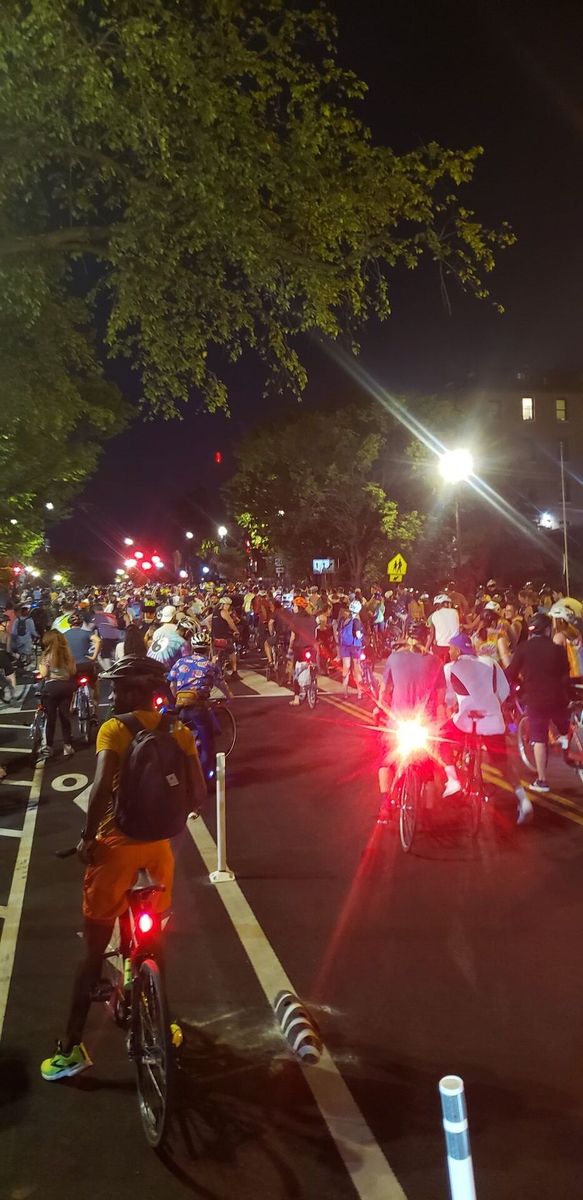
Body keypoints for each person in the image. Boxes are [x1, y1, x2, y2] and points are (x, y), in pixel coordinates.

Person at [40, 656, 206, 1081]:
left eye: (118, 688)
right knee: (155, 942)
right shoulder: (179, 730)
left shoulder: (114, 729)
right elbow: (199, 793)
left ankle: (70, 1048)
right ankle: (163, 1021)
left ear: (132, 692)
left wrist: (87, 838)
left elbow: (99, 790)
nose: (113, 694)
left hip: (117, 847)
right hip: (160, 851)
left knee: (94, 950)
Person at [439, 631, 533, 823]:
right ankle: (524, 800)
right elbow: (503, 691)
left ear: (458, 651)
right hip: (492, 721)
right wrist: (489, 705)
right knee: (502, 763)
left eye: (451, 649)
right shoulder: (490, 663)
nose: (449, 652)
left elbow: (449, 699)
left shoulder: (449, 668)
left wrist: (456, 706)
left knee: (441, 739)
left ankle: (453, 780)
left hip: (465, 721)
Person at [376, 621, 444, 819]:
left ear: (407, 637)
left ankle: (386, 805)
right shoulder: (435, 661)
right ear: (427, 638)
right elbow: (440, 701)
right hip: (424, 726)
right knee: (428, 772)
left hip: (398, 724)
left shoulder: (394, 658)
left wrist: (379, 710)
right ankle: (428, 814)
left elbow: (384, 693)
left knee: (386, 762)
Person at [506, 611, 571, 793]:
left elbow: (511, 672)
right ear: (548, 630)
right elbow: (565, 673)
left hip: (536, 699)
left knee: (539, 737)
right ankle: (564, 735)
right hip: (558, 698)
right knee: (562, 719)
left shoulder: (523, 648)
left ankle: (542, 781)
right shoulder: (557, 650)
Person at [168, 639, 232, 779]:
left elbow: (172, 685)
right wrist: (229, 696)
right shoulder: (210, 665)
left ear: (193, 647)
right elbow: (221, 684)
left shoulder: (180, 662)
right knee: (208, 744)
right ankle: (203, 778)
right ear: (208, 648)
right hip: (198, 706)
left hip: (181, 706)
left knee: (182, 740)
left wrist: (178, 698)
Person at [38, 630, 77, 758]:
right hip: (66, 686)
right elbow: (73, 671)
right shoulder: (68, 654)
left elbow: (44, 674)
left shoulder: (47, 656)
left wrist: (40, 666)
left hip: (51, 688)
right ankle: (67, 746)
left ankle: (49, 747)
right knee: (65, 716)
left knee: (50, 718)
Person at [288, 596, 316, 706]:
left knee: (295, 671)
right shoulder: (312, 618)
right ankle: (314, 690)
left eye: (294, 605)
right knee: (313, 667)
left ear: (298, 607)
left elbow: (293, 637)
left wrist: (290, 648)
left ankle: (296, 698)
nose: (293, 608)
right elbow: (315, 633)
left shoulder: (295, 619)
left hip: (299, 649)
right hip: (311, 647)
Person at [337, 599, 365, 699]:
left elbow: (338, 632)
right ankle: (359, 693)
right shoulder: (356, 620)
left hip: (345, 646)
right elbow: (358, 635)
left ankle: (345, 693)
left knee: (346, 668)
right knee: (356, 669)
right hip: (355, 646)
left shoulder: (343, 619)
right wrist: (362, 635)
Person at [210, 596, 240, 679]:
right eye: (227, 605)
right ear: (223, 604)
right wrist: (236, 631)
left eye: (229, 605)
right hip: (224, 637)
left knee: (214, 655)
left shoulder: (215, 612)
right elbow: (231, 623)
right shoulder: (224, 612)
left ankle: (211, 673)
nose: (228, 606)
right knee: (232, 652)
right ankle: (234, 671)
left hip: (214, 637)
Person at [427, 595, 459, 663]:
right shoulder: (455, 612)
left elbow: (432, 635)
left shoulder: (433, 615)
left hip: (440, 648)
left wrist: (426, 648)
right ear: (445, 604)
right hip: (454, 647)